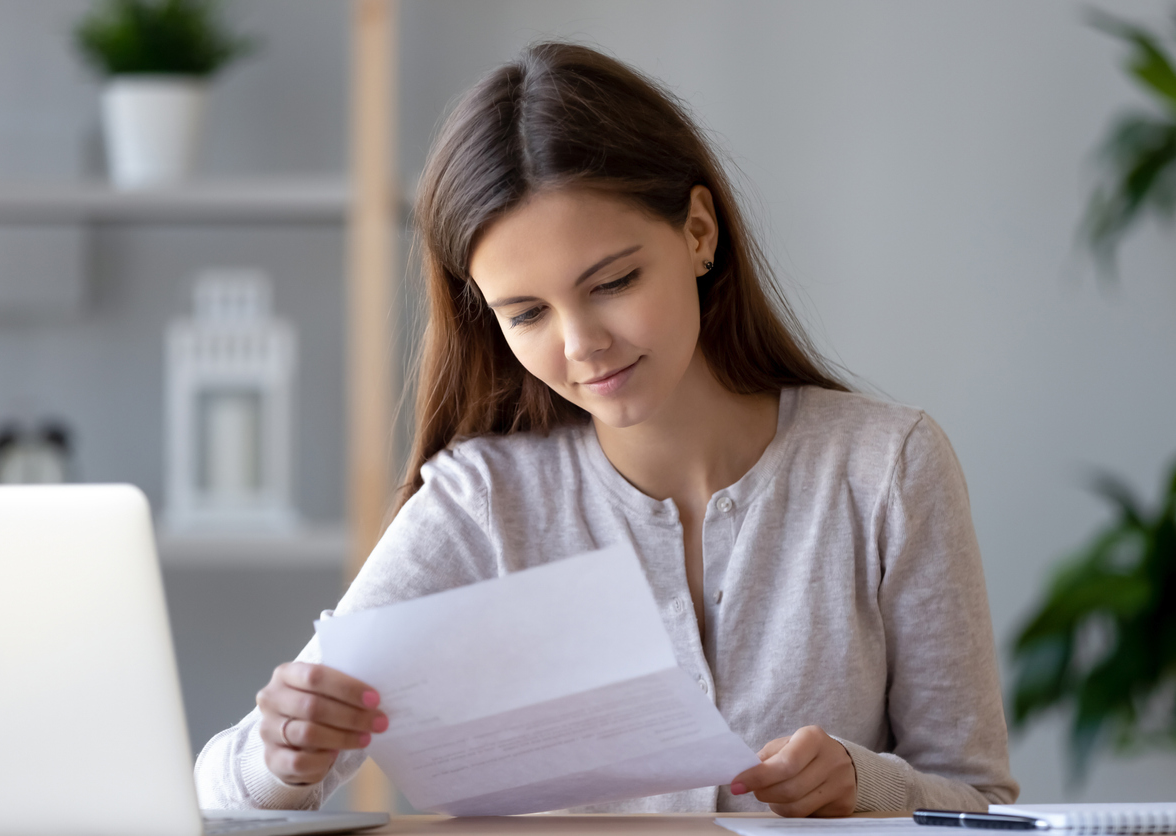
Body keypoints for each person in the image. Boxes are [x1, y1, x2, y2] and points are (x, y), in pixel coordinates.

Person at [194, 42, 1019, 816]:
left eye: (614, 281)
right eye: (526, 314)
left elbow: (980, 798)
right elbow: (219, 787)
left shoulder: (885, 467)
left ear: (699, 232)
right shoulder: (483, 501)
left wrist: (862, 781)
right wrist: (284, 755)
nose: (581, 343)